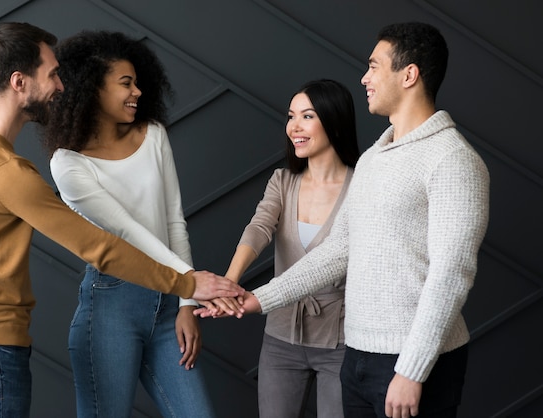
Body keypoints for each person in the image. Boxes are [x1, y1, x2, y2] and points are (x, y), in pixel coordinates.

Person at [0, 22, 243, 418]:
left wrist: (182, 300)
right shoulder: (7, 171)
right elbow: (100, 246)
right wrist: (189, 283)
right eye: (52, 74)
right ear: (19, 81)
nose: (61, 86)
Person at [199, 22, 490, 418]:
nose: (364, 78)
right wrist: (258, 299)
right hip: (357, 356)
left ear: (409, 74)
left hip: (413, 363)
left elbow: (451, 275)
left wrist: (411, 370)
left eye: (374, 66)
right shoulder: (373, 158)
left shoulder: (453, 160)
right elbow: (339, 250)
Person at [41, 30, 216, 417]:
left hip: (169, 307)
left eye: (138, 82)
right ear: (92, 89)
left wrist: (187, 302)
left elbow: (173, 223)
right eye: (125, 83)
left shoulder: (153, 135)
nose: (137, 91)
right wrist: (191, 279)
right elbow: (126, 231)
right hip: (110, 310)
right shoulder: (68, 163)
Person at [212, 79, 359, 417]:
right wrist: (229, 283)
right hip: (280, 338)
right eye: (291, 116)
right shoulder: (283, 180)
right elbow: (259, 228)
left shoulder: (362, 185)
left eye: (307, 116)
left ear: (334, 120)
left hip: (340, 340)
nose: (294, 126)